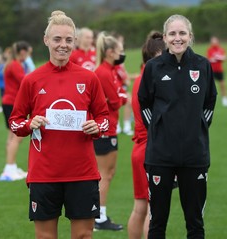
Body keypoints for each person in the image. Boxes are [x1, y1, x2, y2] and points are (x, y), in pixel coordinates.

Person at [8, 10, 110, 238]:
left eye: (68, 40)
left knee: (84, 235)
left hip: (82, 172)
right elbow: (14, 122)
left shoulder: (88, 78)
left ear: (74, 41)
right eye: (57, 39)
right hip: (44, 173)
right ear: (46, 41)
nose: (63, 45)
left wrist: (97, 127)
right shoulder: (32, 80)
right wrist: (29, 124)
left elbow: (105, 117)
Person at [138, 14, 217, 239]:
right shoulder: (153, 67)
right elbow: (144, 101)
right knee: (157, 224)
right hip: (160, 156)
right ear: (165, 38)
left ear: (190, 37)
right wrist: (157, 128)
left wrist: (198, 126)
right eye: (172, 33)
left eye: (182, 33)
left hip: (194, 155)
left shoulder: (203, 65)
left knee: (195, 224)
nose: (177, 38)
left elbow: (210, 100)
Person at [128, 30, 166, 239]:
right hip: (151, 150)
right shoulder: (151, 81)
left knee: (140, 208)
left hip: (141, 149)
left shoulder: (142, 77)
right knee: (154, 211)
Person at [93, 31, 127, 231]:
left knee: (107, 173)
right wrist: (120, 98)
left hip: (109, 127)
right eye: (119, 51)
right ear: (111, 52)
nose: (121, 54)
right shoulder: (104, 72)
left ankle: (98, 215)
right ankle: (99, 217)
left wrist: (118, 97)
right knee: (105, 174)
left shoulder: (108, 70)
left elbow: (117, 96)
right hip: (106, 128)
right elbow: (116, 101)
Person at [0, 41, 30, 181]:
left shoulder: (12, 64)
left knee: (11, 137)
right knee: (17, 137)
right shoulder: (15, 65)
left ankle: (10, 166)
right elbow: (25, 82)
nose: (28, 56)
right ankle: (9, 168)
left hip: (8, 102)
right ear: (22, 52)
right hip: (12, 103)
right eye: (29, 53)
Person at [207, 36, 227, 107]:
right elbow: (209, 59)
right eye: (212, 41)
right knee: (210, 86)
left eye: (215, 41)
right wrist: (214, 58)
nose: (214, 42)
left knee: (222, 85)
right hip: (212, 70)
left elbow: (224, 57)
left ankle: (225, 100)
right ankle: (208, 101)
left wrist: (219, 58)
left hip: (219, 70)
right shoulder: (210, 50)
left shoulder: (221, 49)